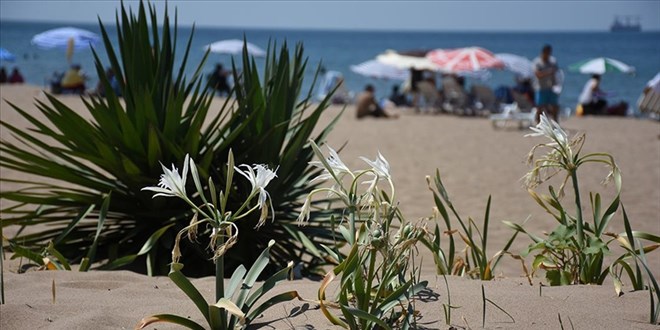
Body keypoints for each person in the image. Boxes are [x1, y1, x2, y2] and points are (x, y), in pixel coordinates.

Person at [532, 44, 560, 123]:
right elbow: (538, 75)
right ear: (543, 52)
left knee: (554, 106)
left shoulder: (552, 61)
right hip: (540, 88)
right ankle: (538, 123)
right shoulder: (537, 62)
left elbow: (556, 72)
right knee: (540, 107)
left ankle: (555, 123)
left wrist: (556, 84)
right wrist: (549, 72)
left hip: (551, 87)